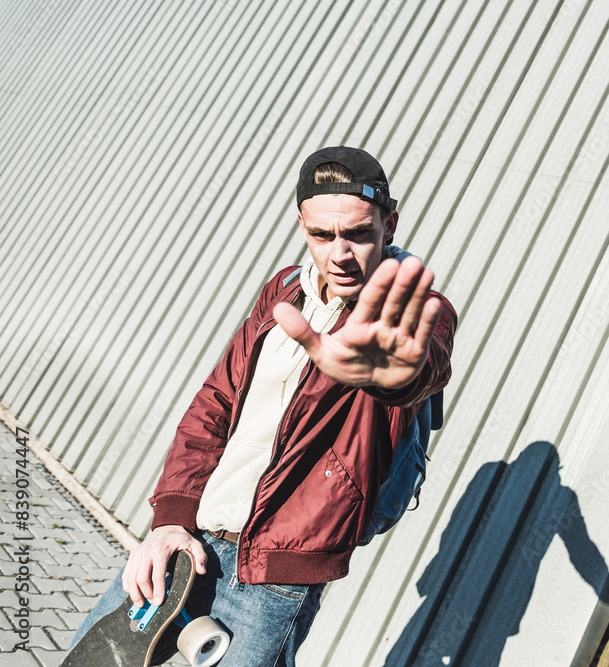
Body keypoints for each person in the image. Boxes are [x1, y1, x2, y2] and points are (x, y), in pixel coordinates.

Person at [68, 146, 457, 665]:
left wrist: (389, 376)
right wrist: (170, 519)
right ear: (302, 224)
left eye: (359, 233)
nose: (339, 253)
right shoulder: (286, 290)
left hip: (276, 579)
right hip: (193, 542)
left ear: (389, 223)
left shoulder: (416, 313)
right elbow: (217, 401)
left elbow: (422, 367)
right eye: (322, 235)